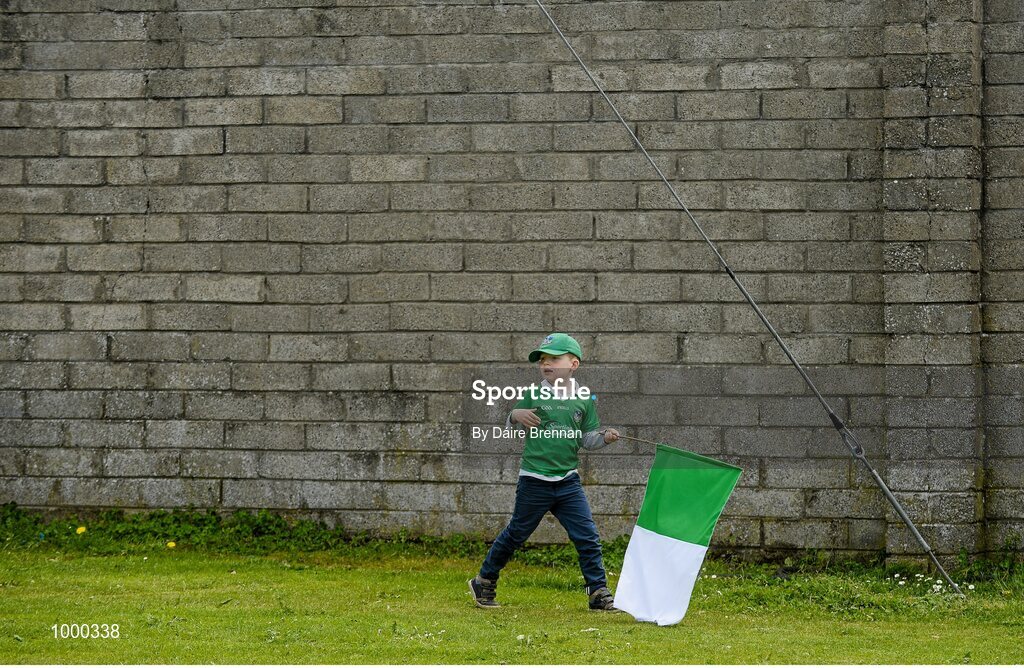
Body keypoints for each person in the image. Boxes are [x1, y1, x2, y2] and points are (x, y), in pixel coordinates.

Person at [468, 332, 621, 611]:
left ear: (573, 364)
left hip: (568, 482)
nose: (546, 364)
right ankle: (484, 580)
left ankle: (597, 592)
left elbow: (587, 439)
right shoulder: (533, 394)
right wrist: (516, 415)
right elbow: (510, 420)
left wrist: (605, 438)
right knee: (516, 534)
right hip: (534, 480)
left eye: (554, 358)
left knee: (587, 536)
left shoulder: (584, 400)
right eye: (542, 360)